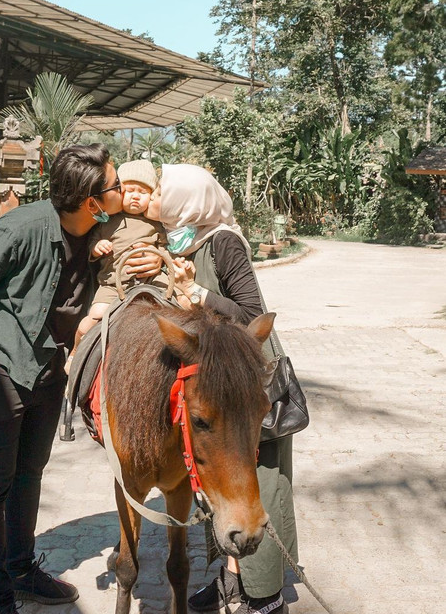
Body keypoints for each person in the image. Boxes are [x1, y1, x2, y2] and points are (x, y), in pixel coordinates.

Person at [0, 144, 157, 614]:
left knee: (28, 475)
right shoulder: (20, 227)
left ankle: (21, 571)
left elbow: (146, 251)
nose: (123, 192)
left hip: (48, 370)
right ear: (90, 199)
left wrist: (154, 262)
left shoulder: (105, 229)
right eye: (116, 185)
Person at [145, 163, 298, 614]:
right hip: (218, 384)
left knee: (260, 482)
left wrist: (201, 296)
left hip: (248, 385)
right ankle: (229, 579)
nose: (153, 198)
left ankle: (264, 595)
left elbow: (255, 312)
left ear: (185, 199)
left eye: (159, 191)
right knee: (219, 483)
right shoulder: (185, 242)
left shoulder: (224, 242)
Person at [73, 159, 168, 349]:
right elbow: (92, 241)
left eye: (143, 192)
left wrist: (160, 256)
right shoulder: (106, 221)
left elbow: (166, 249)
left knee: (173, 306)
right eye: (130, 191)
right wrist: (97, 247)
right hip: (112, 285)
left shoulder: (156, 224)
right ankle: (76, 352)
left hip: (150, 282)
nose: (135, 197)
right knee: (92, 320)